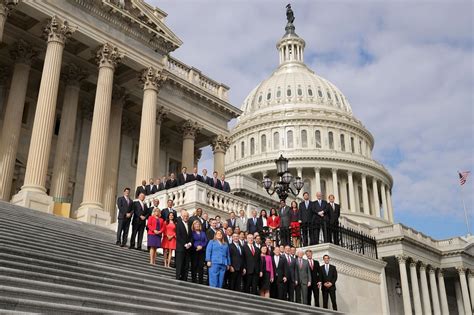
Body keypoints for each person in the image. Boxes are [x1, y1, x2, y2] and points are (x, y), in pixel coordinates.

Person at [175, 210, 192, 281]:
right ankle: (178, 277)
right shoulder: (178, 224)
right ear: (182, 217)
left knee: (186, 264)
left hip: (188, 248)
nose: (186, 217)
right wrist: (184, 244)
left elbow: (191, 236)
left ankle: (184, 278)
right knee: (180, 264)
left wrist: (190, 243)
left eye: (187, 216)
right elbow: (178, 236)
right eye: (185, 216)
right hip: (180, 247)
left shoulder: (190, 225)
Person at [191, 220, 207, 284]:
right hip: (194, 250)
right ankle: (194, 280)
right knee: (194, 265)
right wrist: (196, 246)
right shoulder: (192, 232)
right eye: (195, 224)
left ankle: (200, 281)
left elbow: (205, 241)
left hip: (202, 251)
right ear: (193, 226)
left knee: (201, 266)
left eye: (198, 224)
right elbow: (192, 241)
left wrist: (201, 246)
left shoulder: (203, 233)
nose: (197, 225)